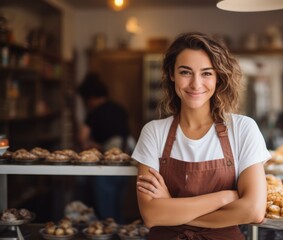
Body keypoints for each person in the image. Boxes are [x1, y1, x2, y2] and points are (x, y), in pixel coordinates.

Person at [131, 32, 271, 239]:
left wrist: (172, 210)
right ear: (171, 74)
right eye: (185, 72)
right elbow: (152, 215)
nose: (196, 84)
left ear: (218, 77)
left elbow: (253, 211)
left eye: (206, 73)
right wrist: (224, 198)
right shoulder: (154, 132)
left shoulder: (243, 129)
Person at [77, 72, 135, 223]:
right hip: (123, 166)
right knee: (118, 211)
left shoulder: (94, 113)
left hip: (104, 170)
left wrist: (92, 144)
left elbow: (82, 138)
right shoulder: (119, 108)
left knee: (105, 216)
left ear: (90, 98)